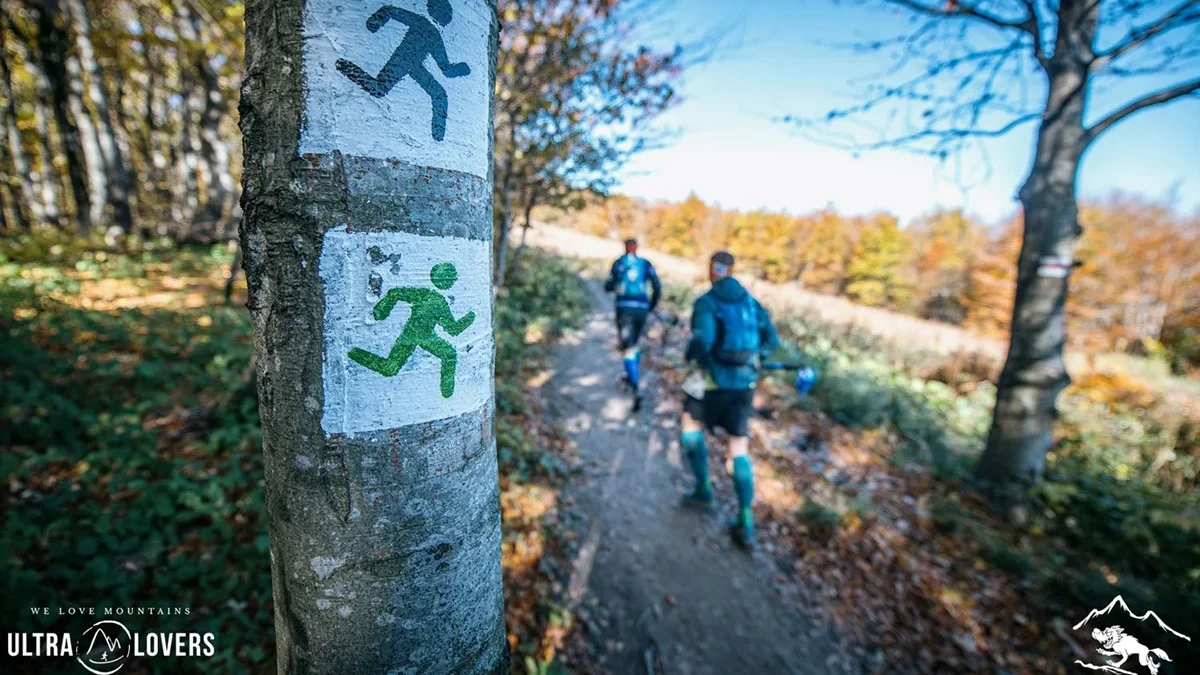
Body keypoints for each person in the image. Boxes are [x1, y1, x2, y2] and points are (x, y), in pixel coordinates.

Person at [679, 251, 778, 550]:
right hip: (746, 382)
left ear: (712, 270)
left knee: (688, 424)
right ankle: (745, 520)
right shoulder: (752, 303)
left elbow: (702, 342)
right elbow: (772, 341)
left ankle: (703, 488)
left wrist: (690, 356)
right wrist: (756, 360)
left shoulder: (706, 302)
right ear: (732, 271)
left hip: (706, 378)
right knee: (738, 446)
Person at [603, 239, 662, 409]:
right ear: (637, 248)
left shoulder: (619, 263)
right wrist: (651, 305)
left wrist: (612, 286)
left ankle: (635, 386)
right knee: (634, 343)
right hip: (642, 308)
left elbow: (609, 285)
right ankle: (631, 375)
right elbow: (657, 286)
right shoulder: (645, 264)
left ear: (625, 247)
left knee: (627, 346)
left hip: (625, 308)